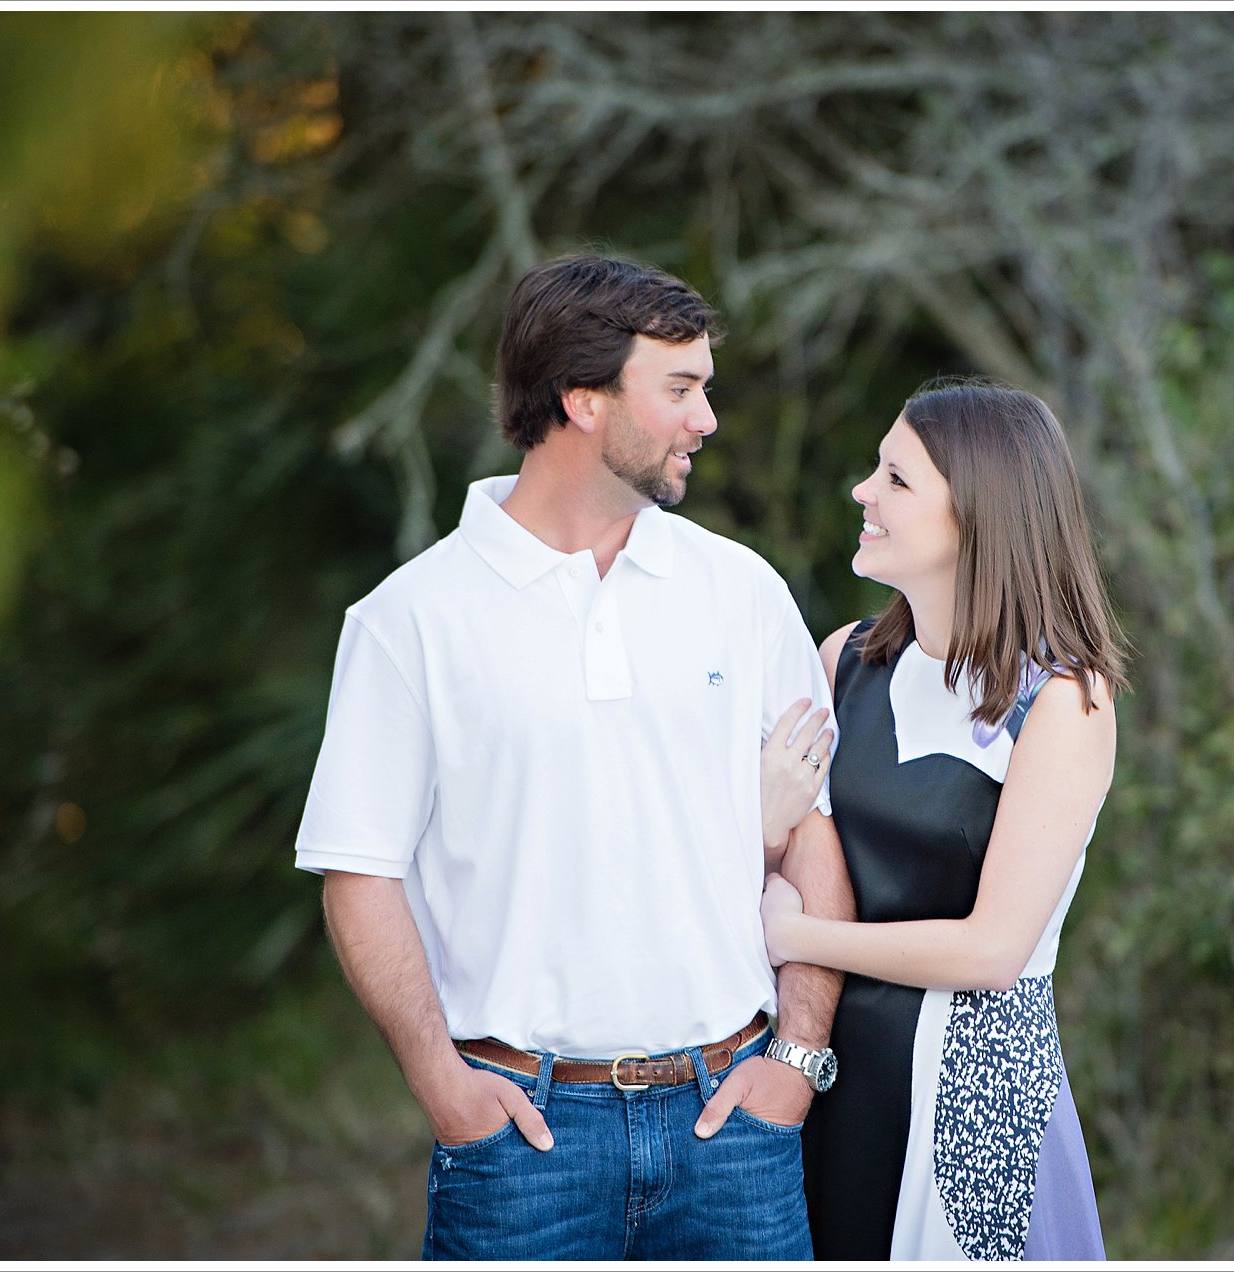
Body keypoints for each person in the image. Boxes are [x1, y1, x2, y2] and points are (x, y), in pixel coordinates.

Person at [294, 253, 853, 1260]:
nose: (706, 419)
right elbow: (359, 874)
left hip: (733, 1127)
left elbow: (811, 833)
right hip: (519, 1143)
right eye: (679, 389)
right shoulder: (410, 621)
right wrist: (441, 1083)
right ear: (583, 400)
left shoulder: (741, 592)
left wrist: (798, 1060)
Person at [760, 379, 1125, 1261]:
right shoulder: (842, 659)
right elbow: (782, 853)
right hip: (827, 1077)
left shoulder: (1063, 701)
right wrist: (769, 829)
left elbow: (991, 952)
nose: (863, 492)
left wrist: (799, 938)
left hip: (974, 1101)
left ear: (979, 516)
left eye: (897, 479)